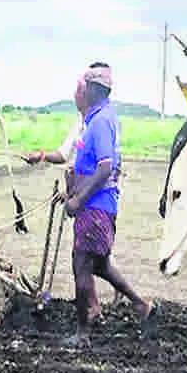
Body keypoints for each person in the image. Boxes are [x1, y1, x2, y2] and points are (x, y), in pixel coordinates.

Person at [28, 63, 156, 346]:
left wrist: (77, 200)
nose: (79, 92)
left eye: (82, 87)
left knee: (82, 266)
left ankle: (82, 333)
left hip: (96, 206)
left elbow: (105, 167)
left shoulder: (99, 122)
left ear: (94, 90)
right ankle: (141, 305)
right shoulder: (98, 118)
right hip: (99, 204)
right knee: (100, 265)